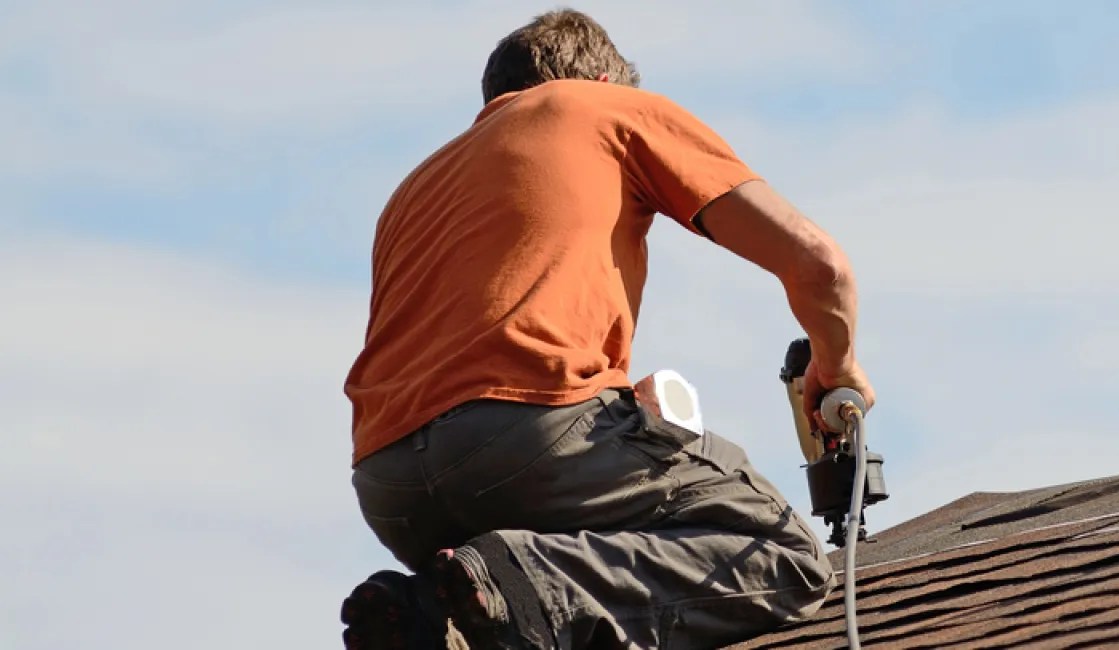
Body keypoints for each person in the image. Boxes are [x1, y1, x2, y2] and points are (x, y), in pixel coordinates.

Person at [335, 8, 875, 650]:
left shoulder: (413, 189)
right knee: (781, 550)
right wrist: (836, 365)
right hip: (533, 433)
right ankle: (521, 583)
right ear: (599, 77)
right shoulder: (600, 107)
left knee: (515, 595)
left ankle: (421, 612)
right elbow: (820, 267)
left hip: (391, 485)